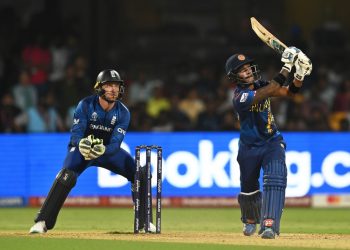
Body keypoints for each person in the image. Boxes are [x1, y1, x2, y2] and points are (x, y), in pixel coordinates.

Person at [29, 69, 156, 234]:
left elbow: (116, 144)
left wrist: (103, 149)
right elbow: (76, 133)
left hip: (107, 151)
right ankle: (42, 221)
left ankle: (144, 221)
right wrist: (82, 144)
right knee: (66, 176)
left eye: (116, 86)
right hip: (84, 151)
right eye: (109, 85)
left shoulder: (123, 112)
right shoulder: (86, 104)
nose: (113, 89)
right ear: (99, 87)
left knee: (140, 174)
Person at [225, 48, 312, 239]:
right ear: (235, 76)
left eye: (248, 67)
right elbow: (271, 90)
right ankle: (249, 220)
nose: (248, 71)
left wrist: (299, 74)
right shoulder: (240, 97)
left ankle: (269, 225)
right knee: (248, 188)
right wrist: (287, 66)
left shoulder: (261, 84)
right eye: (242, 70)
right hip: (248, 147)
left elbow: (290, 92)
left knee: (275, 178)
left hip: (272, 141)